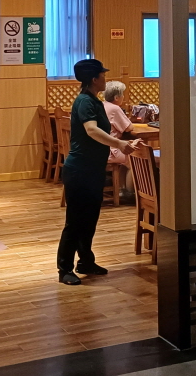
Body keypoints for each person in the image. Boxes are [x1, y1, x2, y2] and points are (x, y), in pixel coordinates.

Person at [57, 59, 144, 285]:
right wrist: (120, 144)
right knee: (75, 221)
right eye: (103, 75)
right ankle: (64, 269)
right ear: (94, 79)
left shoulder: (94, 100)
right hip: (80, 169)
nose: (105, 78)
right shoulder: (85, 101)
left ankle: (86, 261)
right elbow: (92, 130)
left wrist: (123, 143)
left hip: (93, 169)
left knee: (89, 219)